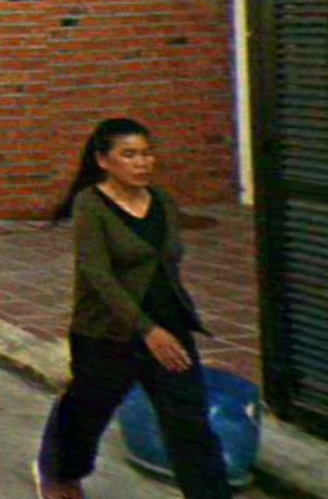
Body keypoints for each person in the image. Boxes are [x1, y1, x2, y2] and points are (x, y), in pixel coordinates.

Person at [32, 118, 233, 499]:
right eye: (129, 155)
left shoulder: (162, 202)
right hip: (106, 332)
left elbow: (167, 263)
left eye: (146, 153)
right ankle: (59, 474)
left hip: (169, 328)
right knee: (87, 411)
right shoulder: (91, 204)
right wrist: (146, 329)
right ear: (103, 161)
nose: (142, 163)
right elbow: (98, 274)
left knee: (189, 424)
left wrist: (168, 325)